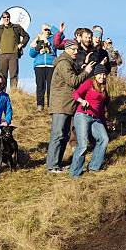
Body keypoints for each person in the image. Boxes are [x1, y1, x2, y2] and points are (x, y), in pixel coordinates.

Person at [46, 40, 95, 173]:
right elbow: (73, 81)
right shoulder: (63, 63)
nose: (75, 52)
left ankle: (57, 164)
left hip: (67, 104)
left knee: (64, 135)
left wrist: (83, 66)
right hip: (60, 105)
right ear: (66, 49)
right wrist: (86, 72)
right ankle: (52, 166)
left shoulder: (69, 63)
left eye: (77, 50)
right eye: (73, 49)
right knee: (58, 135)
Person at [70, 65, 111, 178]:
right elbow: (75, 94)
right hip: (83, 115)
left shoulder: (103, 88)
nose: (102, 77)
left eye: (104, 75)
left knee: (104, 139)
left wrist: (106, 121)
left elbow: (101, 108)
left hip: (96, 118)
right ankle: (75, 173)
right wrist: (82, 101)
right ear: (95, 74)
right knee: (83, 145)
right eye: (100, 74)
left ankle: (94, 167)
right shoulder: (89, 83)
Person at [0, 11, 30, 90]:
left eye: (8, 17)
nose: (6, 19)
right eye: (5, 17)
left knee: (13, 74)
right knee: (3, 75)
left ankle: (14, 92)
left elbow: (26, 36)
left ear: (9, 18)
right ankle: (2, 92)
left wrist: (21, 44)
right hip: (2, 54)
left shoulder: (16, 27)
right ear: (2, 18)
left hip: (14, 54)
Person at [29, 24, 58, 110]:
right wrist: (37, 49)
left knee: (51, 86)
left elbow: (61, 34)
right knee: (40, 86)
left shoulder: (53, 40)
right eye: (45, 30)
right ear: (42, 30)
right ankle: (40, 105)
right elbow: (31, 54)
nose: (47, 31)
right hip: (39, 66)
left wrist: (51, 27)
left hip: (51, 65)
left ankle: (50, 105)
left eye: (48, 30)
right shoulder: (37, 40)